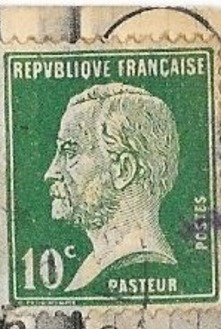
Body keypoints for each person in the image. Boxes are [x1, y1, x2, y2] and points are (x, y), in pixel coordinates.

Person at [43, 82, 181, 293]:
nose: (51, 172)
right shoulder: (95, 265)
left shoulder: (141, 264)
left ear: (123, 170)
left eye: (70, 152)